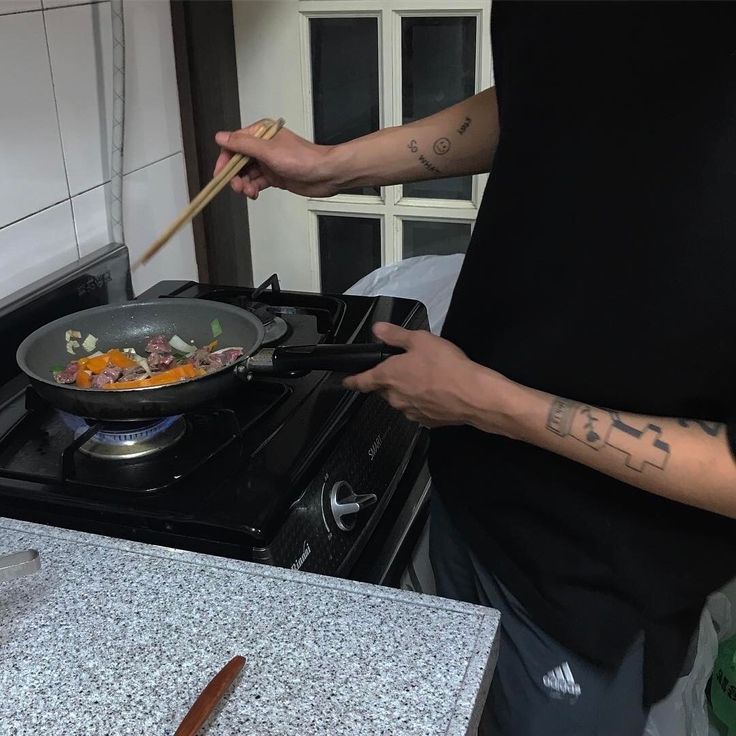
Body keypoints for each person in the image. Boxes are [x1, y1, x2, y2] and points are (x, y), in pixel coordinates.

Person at [213, 3, 736, 734]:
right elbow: (554, 89)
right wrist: (335, 165)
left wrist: (497, 404)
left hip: (605, 582)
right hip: (469, 490)